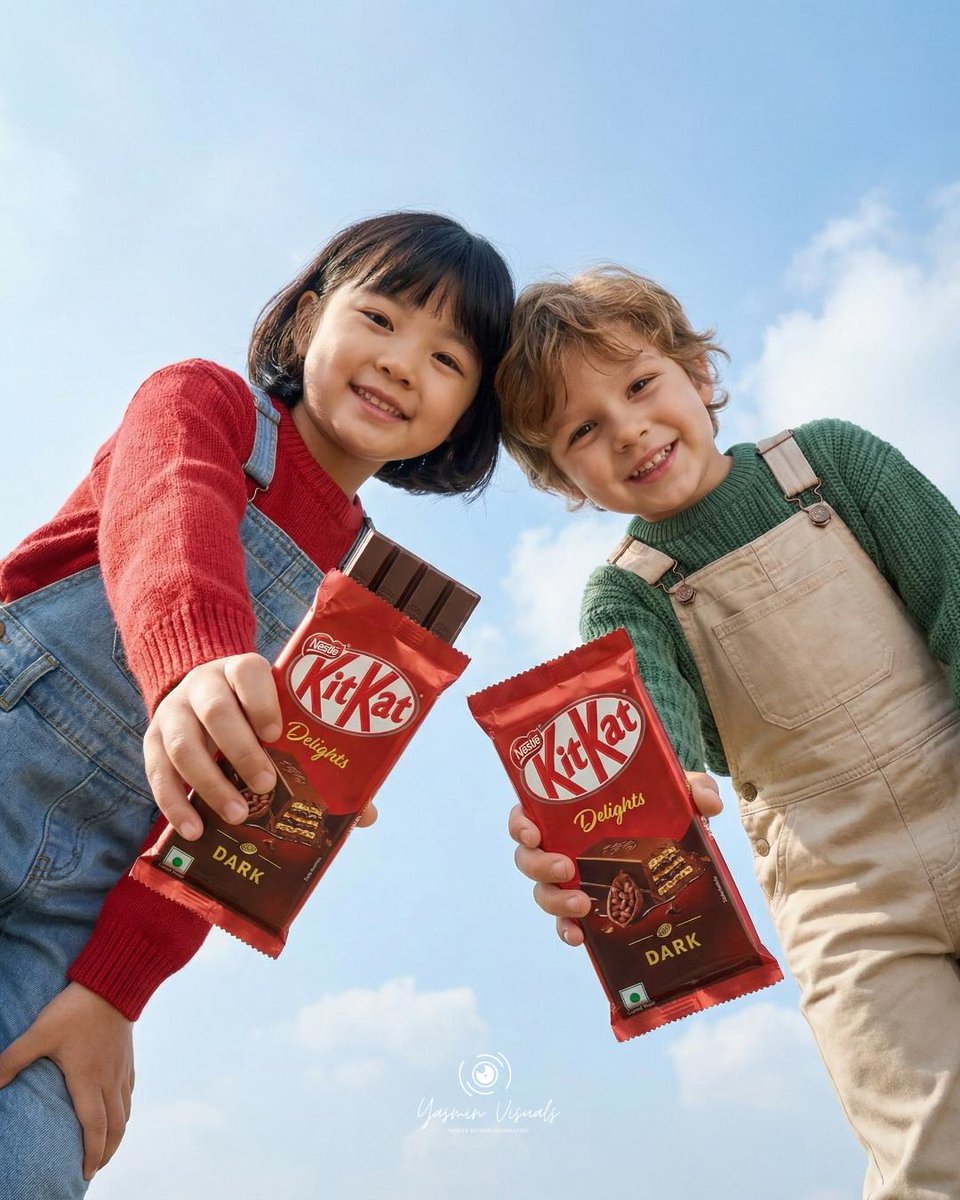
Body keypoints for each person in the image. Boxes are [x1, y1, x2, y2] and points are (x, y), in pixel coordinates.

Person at [0, 211, 514, 1194]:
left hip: (78, 910)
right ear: (308, 321)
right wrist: (195, 665)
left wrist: (114, 991)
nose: (402, 364)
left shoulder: (375, 613)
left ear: (463, 416)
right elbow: (171, 506)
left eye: (447, 360)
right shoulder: (210, 407)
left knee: (32, 1157)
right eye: (380, 318)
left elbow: (241, 831)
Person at [496, 265, 960, 1200]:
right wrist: (604, 836)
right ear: (562, 477)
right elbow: (648, 744)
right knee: (928, 1156)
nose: (628, 429)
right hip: (845, 899)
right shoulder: (627, 594)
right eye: (583, 429)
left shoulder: (829, 464)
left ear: (696, 371)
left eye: (639, 384)